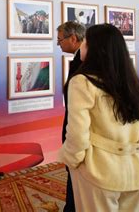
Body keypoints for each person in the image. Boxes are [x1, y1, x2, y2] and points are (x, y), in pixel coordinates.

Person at [59, 24, 139, 211]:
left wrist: (72, 161)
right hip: (135, 169)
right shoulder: (131, 82)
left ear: (95, 49)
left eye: (85, 43)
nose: (81, 46)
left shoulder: (82, 82)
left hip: (99, 171)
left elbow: (77, 134)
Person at [56, 21, 86, 212]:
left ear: (73, 38)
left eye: (60, 40)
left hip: (78, 133)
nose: (58, 44)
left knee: (77, 181)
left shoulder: (83, 62)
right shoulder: (79, 58)